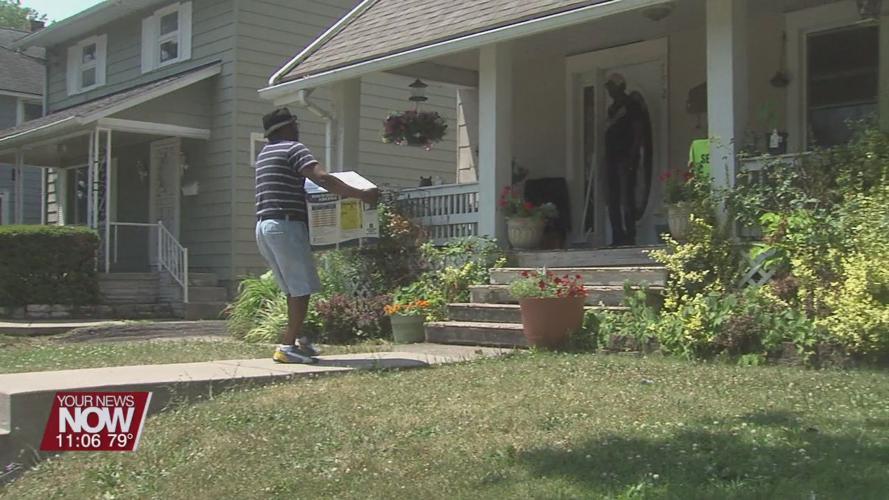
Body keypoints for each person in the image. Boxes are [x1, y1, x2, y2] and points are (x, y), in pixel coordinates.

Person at [255, 108, 379, 364]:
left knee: (292, 289)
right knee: (301, 289)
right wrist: (361, 194)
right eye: (294, 123)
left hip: (265, 226)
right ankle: (287, 347)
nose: (297, 128)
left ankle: (300, 341)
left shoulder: (265, 154)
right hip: (286, 226)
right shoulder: (294, 148)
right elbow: (322, 179)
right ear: (286, 127)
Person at [603, 73, 646, 246]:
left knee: (627, 196)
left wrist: (633, 154)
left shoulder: (632, 105)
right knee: (612, 197)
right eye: (608, 87)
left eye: (612, 87)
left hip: (626, 157)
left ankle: (630, 236)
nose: (609, 91)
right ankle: (617, 236)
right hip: (611, 157)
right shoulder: (612, 108)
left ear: (620, 86)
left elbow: (638, 131)